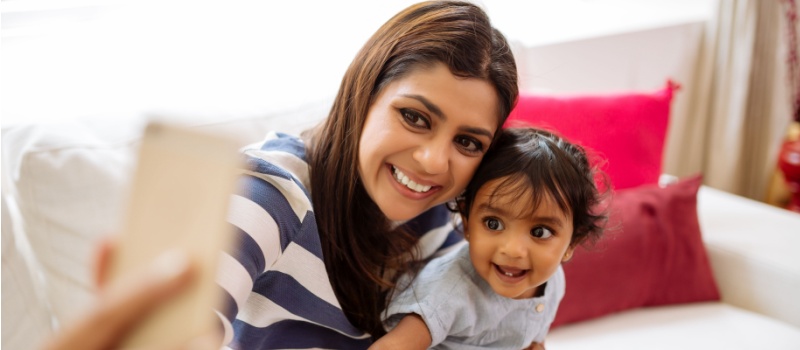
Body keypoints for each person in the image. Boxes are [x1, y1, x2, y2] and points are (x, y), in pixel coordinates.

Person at [40, 1, 518, 349]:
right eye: (415, 117)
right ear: (364, 93)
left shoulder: (441, 218)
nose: (435, 161)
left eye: (468, 142)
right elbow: (189, 325)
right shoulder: (270, 193)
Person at [371, 127, 607, 349]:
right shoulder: (449, 294)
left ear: (571, 244)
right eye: (493, 224)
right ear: (467, 221)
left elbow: (529, 337)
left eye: (540, 232)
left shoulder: (553, 282)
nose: (513, 250)